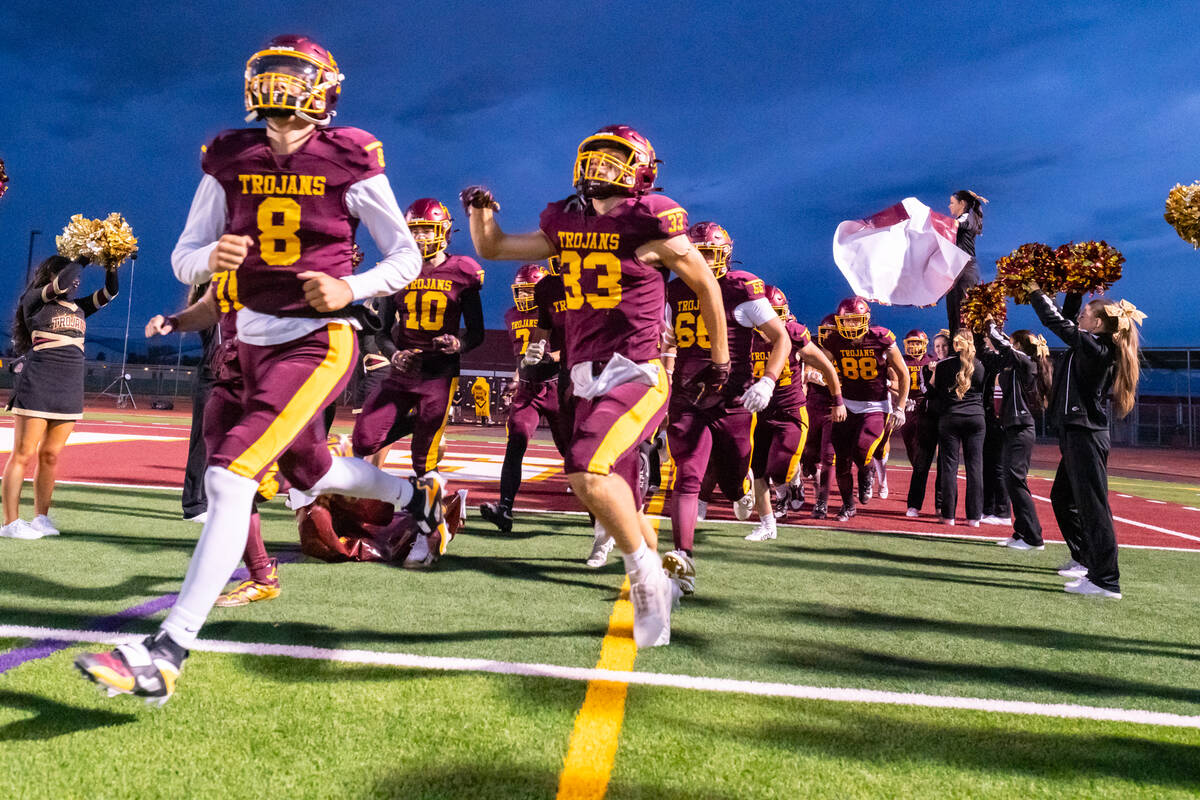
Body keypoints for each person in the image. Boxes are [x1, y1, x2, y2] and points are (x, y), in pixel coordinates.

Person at [76, 34, 438, 704]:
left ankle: (168, 649)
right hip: (246, 336)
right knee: (309, 470)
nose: (281, 91)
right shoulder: (231, 154)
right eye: (271, 78)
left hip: (316, 338)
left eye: (293, 78)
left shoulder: (351, 154)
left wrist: (352, 290)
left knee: (229, 471)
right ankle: (416, 497)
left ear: (325, 87)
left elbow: (405, 259)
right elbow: (184, 258)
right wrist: (214, 254)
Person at [462, 124, 729, 647]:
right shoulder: (566, 220)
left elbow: (706, 286)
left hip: (637, 369)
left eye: (616, 158)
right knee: (612, 494)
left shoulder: (649, 219)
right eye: (596, 157)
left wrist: (719, 356)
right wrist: (480, 213)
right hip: (584, 372)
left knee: (585, 470)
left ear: (640, 170)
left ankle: (646, 580)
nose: (602, 166)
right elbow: (494, 248)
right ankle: (663, 570)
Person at [661, 222, 790, 592]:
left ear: (725, 255)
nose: (702, 261)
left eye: (709, 253)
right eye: (695, 253)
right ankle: (681, 562)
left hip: (733, 400)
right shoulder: (673, 291)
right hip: (688, 396)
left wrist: (767, 380)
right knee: (687, 477)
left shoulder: (741, 287)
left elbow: (780, 337)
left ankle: (739, 488)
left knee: (734, 477)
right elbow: (667, 341)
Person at [351, 197, 486, 482]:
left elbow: (476, 332)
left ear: (444, 231)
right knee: (363, 441)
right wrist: (395, 355)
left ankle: (433, 517)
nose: (420, 237)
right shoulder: (398, 270)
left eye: (426, 230)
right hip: (402, 372)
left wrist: (459, 344)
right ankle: (418, 422)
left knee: (423, 461)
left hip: (439, 374)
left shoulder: (463, 270)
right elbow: (382, 331)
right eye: (415, 231)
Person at [1028, 286, 1143, 598]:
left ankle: (1106, 580)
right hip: (1076, 433)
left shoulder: (1098, 349)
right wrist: (1075, 288)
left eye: (1084, 315)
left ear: (1097, 325)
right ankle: (1086, 561)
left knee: (1094, 508)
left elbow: (1059, 324)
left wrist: (1035, 292)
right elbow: (1065, 319)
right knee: (1062, 498)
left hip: (1086, 435)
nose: (1078, 318)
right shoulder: (1089, 345)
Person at [1, 255, 119, 539]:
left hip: (69, 387)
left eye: (78, 276)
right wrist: (84, 257)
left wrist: (112, 261)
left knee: (51, 456)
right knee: (23, 454)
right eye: (71, 275)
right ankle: (10, 523)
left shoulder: (80, 308)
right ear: (54, 274)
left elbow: (111, 292)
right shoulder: (35, 300)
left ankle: (41, 517)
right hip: (38, 383)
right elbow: (64, 280)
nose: (76, 280)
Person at [745, 286, 841, 541]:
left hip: (790, 412)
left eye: (776, 315)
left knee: (779, 470)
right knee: (759, 472)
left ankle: (794, 484)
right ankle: (767, 525)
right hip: (760, 412)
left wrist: (838, 401)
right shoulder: (745, 336)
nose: (770, 322)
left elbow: (828, 369)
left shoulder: (794, 335)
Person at [480, 263, 568, 533]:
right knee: (515, 441)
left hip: (556, 387)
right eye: (522, 290)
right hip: (528, 389)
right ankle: (504, 508)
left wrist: (550, 357)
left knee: (574, 454)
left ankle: (598, 516)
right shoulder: (510, 315)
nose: (526, 296)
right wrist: (517, 378)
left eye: (531, 290)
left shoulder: (556, 308)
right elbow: (522, 357)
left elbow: (574, 347)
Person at [823, 297, 908, 521]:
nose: (851, 326)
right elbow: (822, 364)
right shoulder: (835, 340)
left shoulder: (881, 338)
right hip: (847, 406)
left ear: (866, 319)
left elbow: (903, 373)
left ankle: (867, 471)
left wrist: (900, 408)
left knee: (862, 451)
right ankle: (848, 506)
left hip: (875, 405)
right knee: (841, 460)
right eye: (847, 321)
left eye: (855, 320)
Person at [983, 325, 1052, 551]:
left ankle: (1034, 538)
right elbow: (995, 352)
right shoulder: (1013, 366)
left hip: (1022, 428)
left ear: (1020, 346)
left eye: (1013, 343)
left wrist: (990, 322)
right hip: (1012, 427)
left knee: (1016, 480)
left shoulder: (1026, 363)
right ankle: (1021, 532)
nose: (1009, 346)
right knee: (1011, 479)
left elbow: (1002, 344)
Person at [930, 330, 985, 526]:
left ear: (955, 344)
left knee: (949, 468)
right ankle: (974, 518)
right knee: (975, 468)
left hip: (950, 418)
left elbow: (932, 389)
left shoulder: (943, 365)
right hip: (976, 419)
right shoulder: (979, 365)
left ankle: (949, 516)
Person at [800, 314, 844, 518]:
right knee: (806, 453)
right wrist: (813, 375)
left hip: (836, 407)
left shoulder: (848, 348)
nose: (828, 337)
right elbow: (807, 370)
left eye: (833, 332)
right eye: (825, 332)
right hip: (813, 406)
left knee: (829, 456)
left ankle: (822, 502)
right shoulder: (814, 345)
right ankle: (811, 476)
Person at [899, 330, 936, 517]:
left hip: (925, 407)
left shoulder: (931, 361)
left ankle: (921, 481)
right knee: (910, 447)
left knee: (923, 447)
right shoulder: (902, 360)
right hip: (907, 407)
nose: (913, 346)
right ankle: (918, 473)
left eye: (916, 343)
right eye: (910, 343)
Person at [944, 190, 987, 333]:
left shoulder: (967, 217)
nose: (949, 206)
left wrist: (930, 218)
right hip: (958, 269)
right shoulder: (967, 217)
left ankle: (965, 351)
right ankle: (955, 349)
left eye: (952, 203)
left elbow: (953, 224)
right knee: (953, 314)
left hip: (965, 269)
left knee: (962, 314)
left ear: (962, 203)